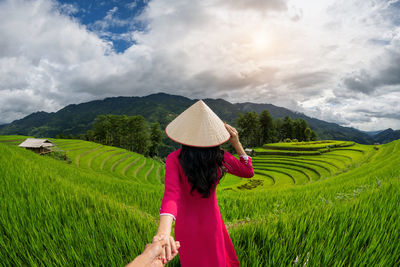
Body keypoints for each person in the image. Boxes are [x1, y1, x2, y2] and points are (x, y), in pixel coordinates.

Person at [154, 100, 254, 266]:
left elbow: (171, 194)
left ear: (185, 133)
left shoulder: (174, 159)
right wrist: (236, 142)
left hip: (185, 227)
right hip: (212, 224)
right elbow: (248, 171)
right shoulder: (220, 157)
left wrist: (164, 231)